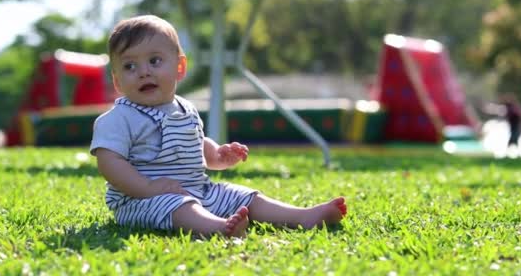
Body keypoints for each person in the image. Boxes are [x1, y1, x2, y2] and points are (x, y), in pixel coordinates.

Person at [90, 15, 347, 238]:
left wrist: (216, 155)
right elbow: (109, 161)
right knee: (180, 206)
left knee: (244, 196)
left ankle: (302, 216)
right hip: (141, 200)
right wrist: (147, 188)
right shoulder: (120, 118)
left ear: (180, 67)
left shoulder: (186, 108)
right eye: (129, 66)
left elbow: (194, 142)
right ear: (117, 81)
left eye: (155, 61)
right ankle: (217, 227)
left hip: (200, 190)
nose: (143, 72)